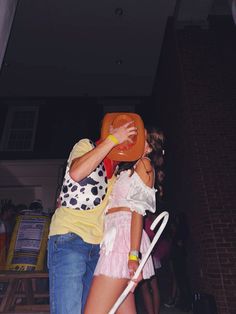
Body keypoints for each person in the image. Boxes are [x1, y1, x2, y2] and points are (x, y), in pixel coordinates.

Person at [47, 119, 137, 314]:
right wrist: (112, 139)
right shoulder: (85, 145)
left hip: (97, 249)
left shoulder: (116, 175)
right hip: (70, 237)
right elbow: (77, 172)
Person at [84, 126, 165, 314]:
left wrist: (133, 255)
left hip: (124, 239)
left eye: (140, 139)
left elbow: (137, 212)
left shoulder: (144, 164)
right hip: (114, 239)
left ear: (149, 147)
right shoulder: (130, 166)